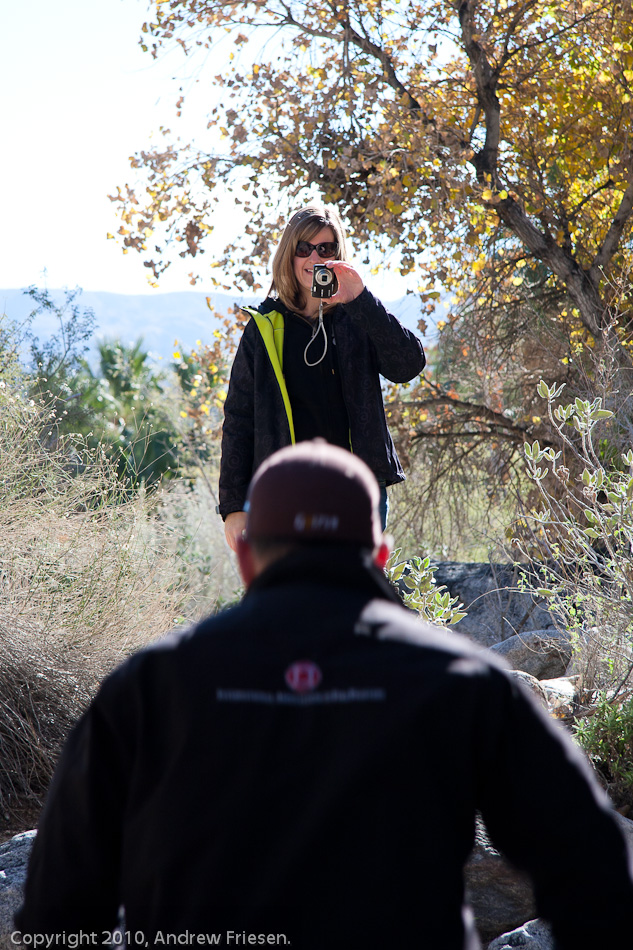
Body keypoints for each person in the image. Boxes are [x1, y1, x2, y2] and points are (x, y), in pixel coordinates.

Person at [15, 440, 633, 948]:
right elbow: (596, 871)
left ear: (246, 556)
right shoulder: (465, 683)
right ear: (380, 555)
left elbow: (56, 910)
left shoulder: (149, 685)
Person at [218, 203, 425, 550]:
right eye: (304, 248)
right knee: (295, 587)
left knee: (352, 585)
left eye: (325, 249)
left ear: (337, 255)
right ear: (289, 255)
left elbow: (408, 365)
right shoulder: (264, 327)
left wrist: (360, 298)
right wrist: (234, 507)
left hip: (357, 492)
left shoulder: (357, 315)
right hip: (285, 496)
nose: (314, 258)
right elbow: (238, 419)